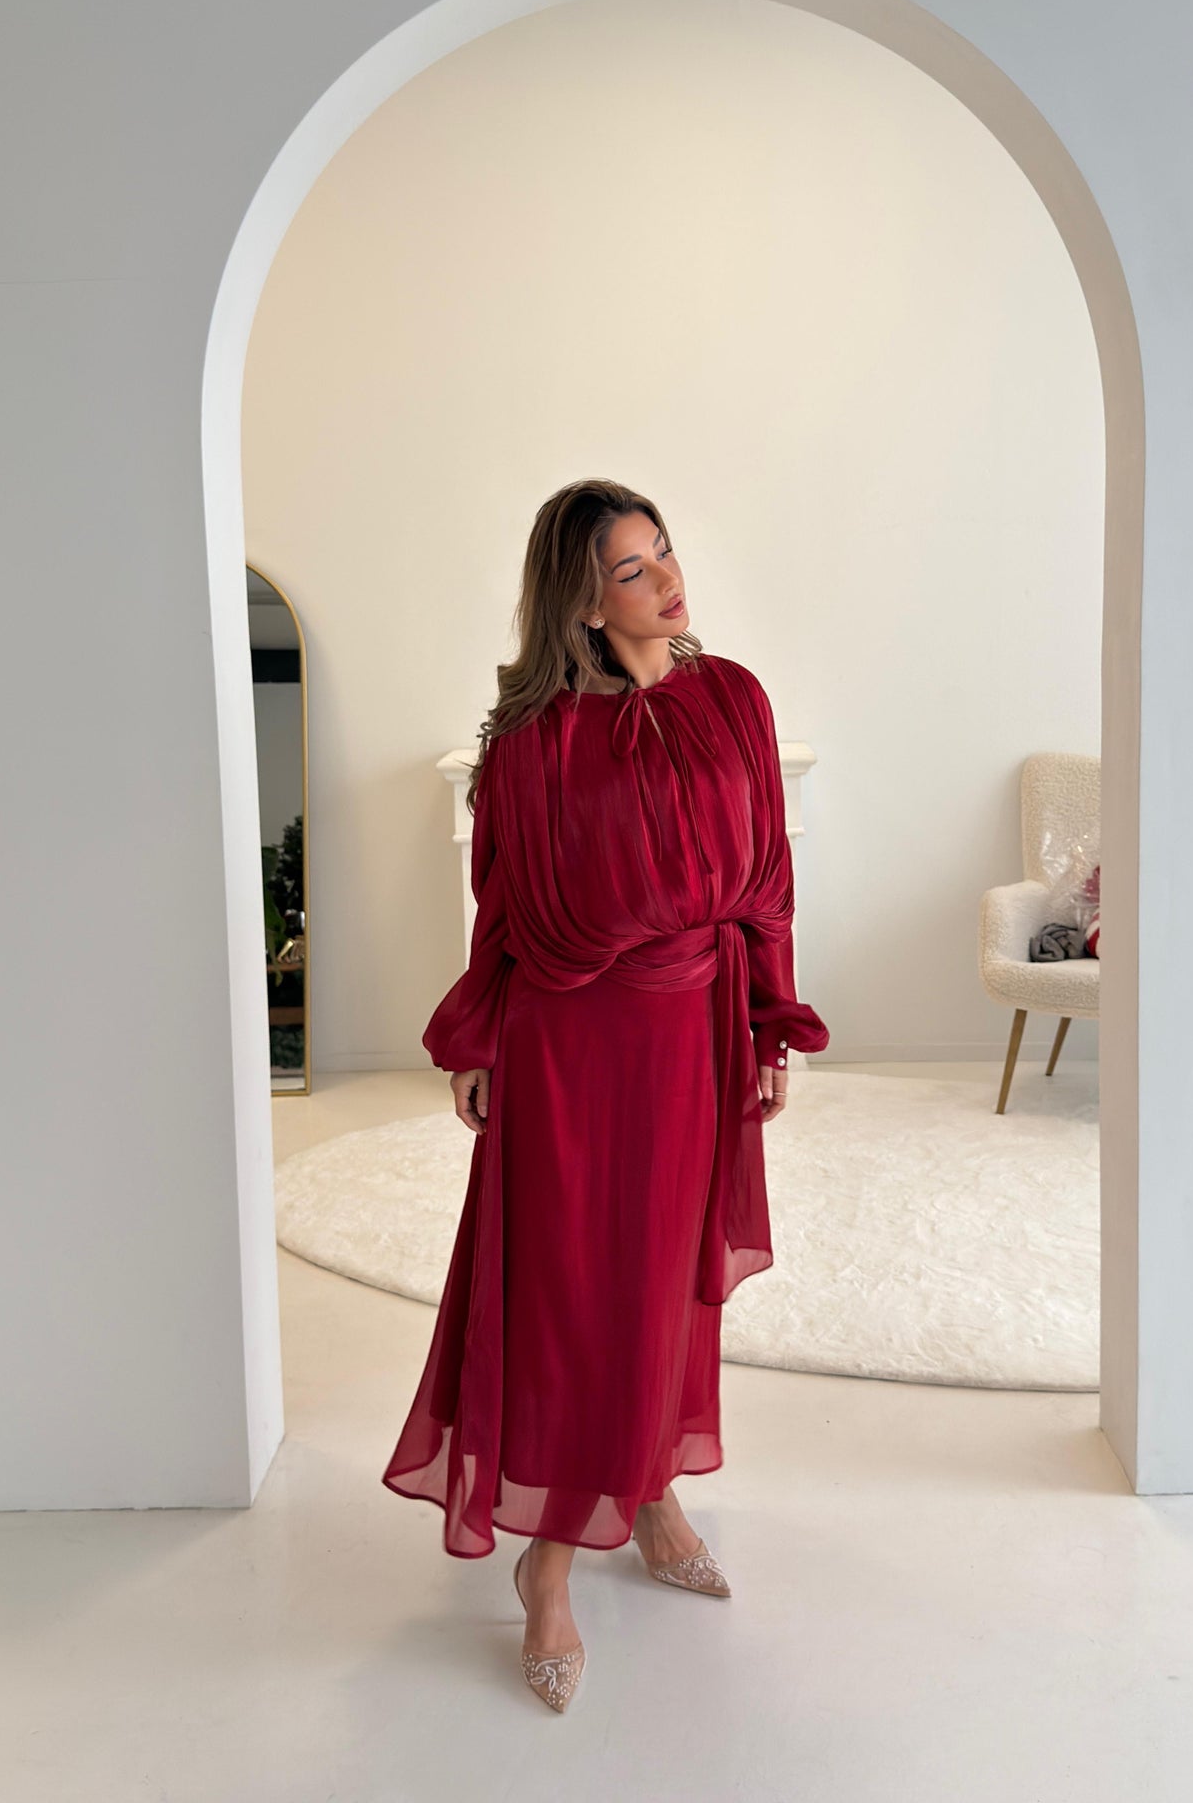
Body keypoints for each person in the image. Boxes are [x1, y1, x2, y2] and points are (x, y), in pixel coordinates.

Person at [381, 479, 830, 1712]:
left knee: (668, 1275)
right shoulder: (533, 743)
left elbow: (768, 883)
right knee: (573, 1288)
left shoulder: (733, 698)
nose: (668, 580)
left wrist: (768, 1018)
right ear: (583, 600)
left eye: (664, 551)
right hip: (571, 1040)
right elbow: (505, 903)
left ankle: (653, 1490)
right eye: (633, 569)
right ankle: (548, 1562)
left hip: (696, 1028)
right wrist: (477, 1036)